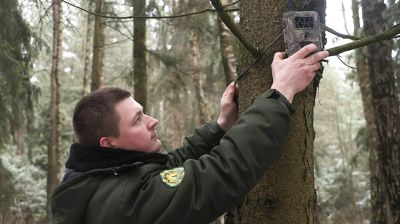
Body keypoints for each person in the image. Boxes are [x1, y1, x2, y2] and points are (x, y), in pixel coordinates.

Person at [51, 44, 329, 224]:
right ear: (108, 143)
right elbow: (218, 174)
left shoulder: (103, 178)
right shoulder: (125, 204)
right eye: (138, 120)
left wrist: (220, 126)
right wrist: (280, 94)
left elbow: (172, 166)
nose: (152, 121)